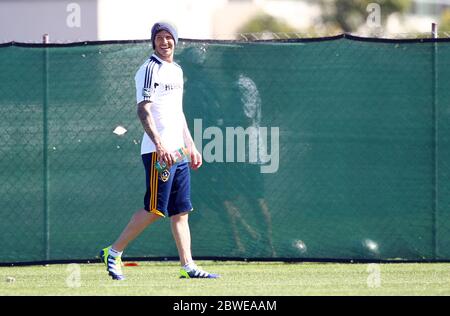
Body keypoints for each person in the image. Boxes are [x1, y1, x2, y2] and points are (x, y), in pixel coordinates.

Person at [99, 22, 219, 280]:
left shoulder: (176, 70)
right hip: (158, 152)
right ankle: (114, 251)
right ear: (153, 42)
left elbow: (178, 112)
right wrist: (159, 145)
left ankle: (188, 267)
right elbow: (143, 109)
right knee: (155, 209)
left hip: (178, 152)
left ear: (176, 41)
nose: (164, 42)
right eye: (159, 38)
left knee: (181, 212)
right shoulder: (149, 69)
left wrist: (191, 145)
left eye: (168, 38)